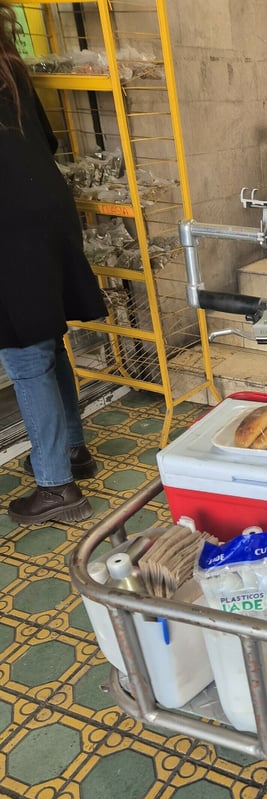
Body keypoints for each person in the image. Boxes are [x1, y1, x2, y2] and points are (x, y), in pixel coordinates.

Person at [0, 1, 106, 525]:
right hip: (44, 208)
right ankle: (71, 451)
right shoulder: (10, 66)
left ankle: (57, 489)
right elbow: (50, 140)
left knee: (24, 353)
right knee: (45, 339)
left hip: (9, 223)